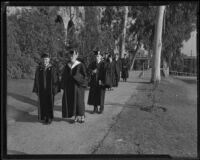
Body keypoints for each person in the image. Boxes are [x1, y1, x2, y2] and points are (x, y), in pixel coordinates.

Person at [33, 53, 60, 125]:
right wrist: (36, 89)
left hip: (50, 90)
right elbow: (36, 79)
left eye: (46, 59)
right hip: (42, 90)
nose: (45, 61)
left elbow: (56, 80)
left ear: (49, 60)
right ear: (41, 60)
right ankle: (44, 117)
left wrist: (55, 89)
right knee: (43, 104)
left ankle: (49, 118)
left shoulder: (53, 68)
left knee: (49, 104)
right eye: (43, 59)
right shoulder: (39, 69)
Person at [61, 50, 88, 123]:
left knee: (79, 102)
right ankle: (76, 116)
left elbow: (85, 76)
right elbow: (64, 76)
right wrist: (63, 85)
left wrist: (77, 77)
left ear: (76, 56)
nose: (71, 56)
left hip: (79, 87)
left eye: (73, 55)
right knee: (73, 102)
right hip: (70, 87)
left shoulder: (80, 64)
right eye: (70, 55)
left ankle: (82, 116)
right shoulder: (67, 65)